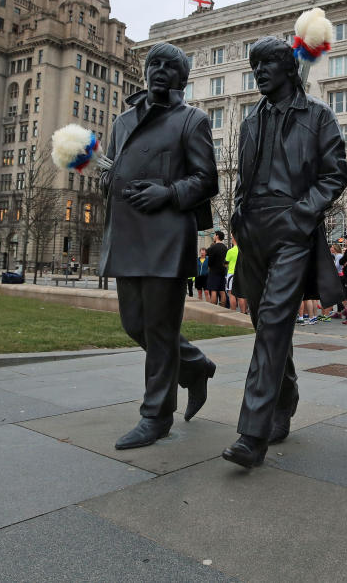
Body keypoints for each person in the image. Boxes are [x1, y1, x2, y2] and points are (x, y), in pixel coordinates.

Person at [222, 35, 347, 467]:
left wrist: (302, 214)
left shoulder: (318, 116)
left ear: (289, 68)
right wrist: (238, 214)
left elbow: (336, 175)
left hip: (292, 228)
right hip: (253, 230)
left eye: (268, 64)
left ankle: (251, 434)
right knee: (265, 324)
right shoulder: (249, 121)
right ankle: (285, 393)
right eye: (255, 65)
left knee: (275, 322)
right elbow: (243, 177)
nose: (259, 72)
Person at [99, 42, 220, 450]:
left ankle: (156, 416)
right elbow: (115, 167)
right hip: (128, 235)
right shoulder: (121, 122)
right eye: (156, 64)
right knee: (135, 325)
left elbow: (207, 179)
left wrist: (167, 193)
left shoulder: (192, 120)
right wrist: (106, 180)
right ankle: (196, 366)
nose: (161, 71)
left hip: (167, 236)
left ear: (183, 78)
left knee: (160, 330)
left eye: (171, 66)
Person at [205, 230, 228, 306]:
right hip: (223, 271)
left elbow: (210, 260)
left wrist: (209, 266)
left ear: (217, 236)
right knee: (222, 290)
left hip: (214, 271)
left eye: (214, 235)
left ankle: (213, 308)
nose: (213, 237)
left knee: (213, 290)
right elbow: (227, 261)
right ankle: (223, 307)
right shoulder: (225, 248)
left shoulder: (213, 247)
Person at [225, 234, 247, 313]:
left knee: (232, 294)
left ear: (234, 239)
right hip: (242, 274)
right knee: (241, 294)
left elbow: (225, 263)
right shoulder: (243, 250)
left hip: (231, 274)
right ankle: (243, 312)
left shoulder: (230, 251)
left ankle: (233, 312)